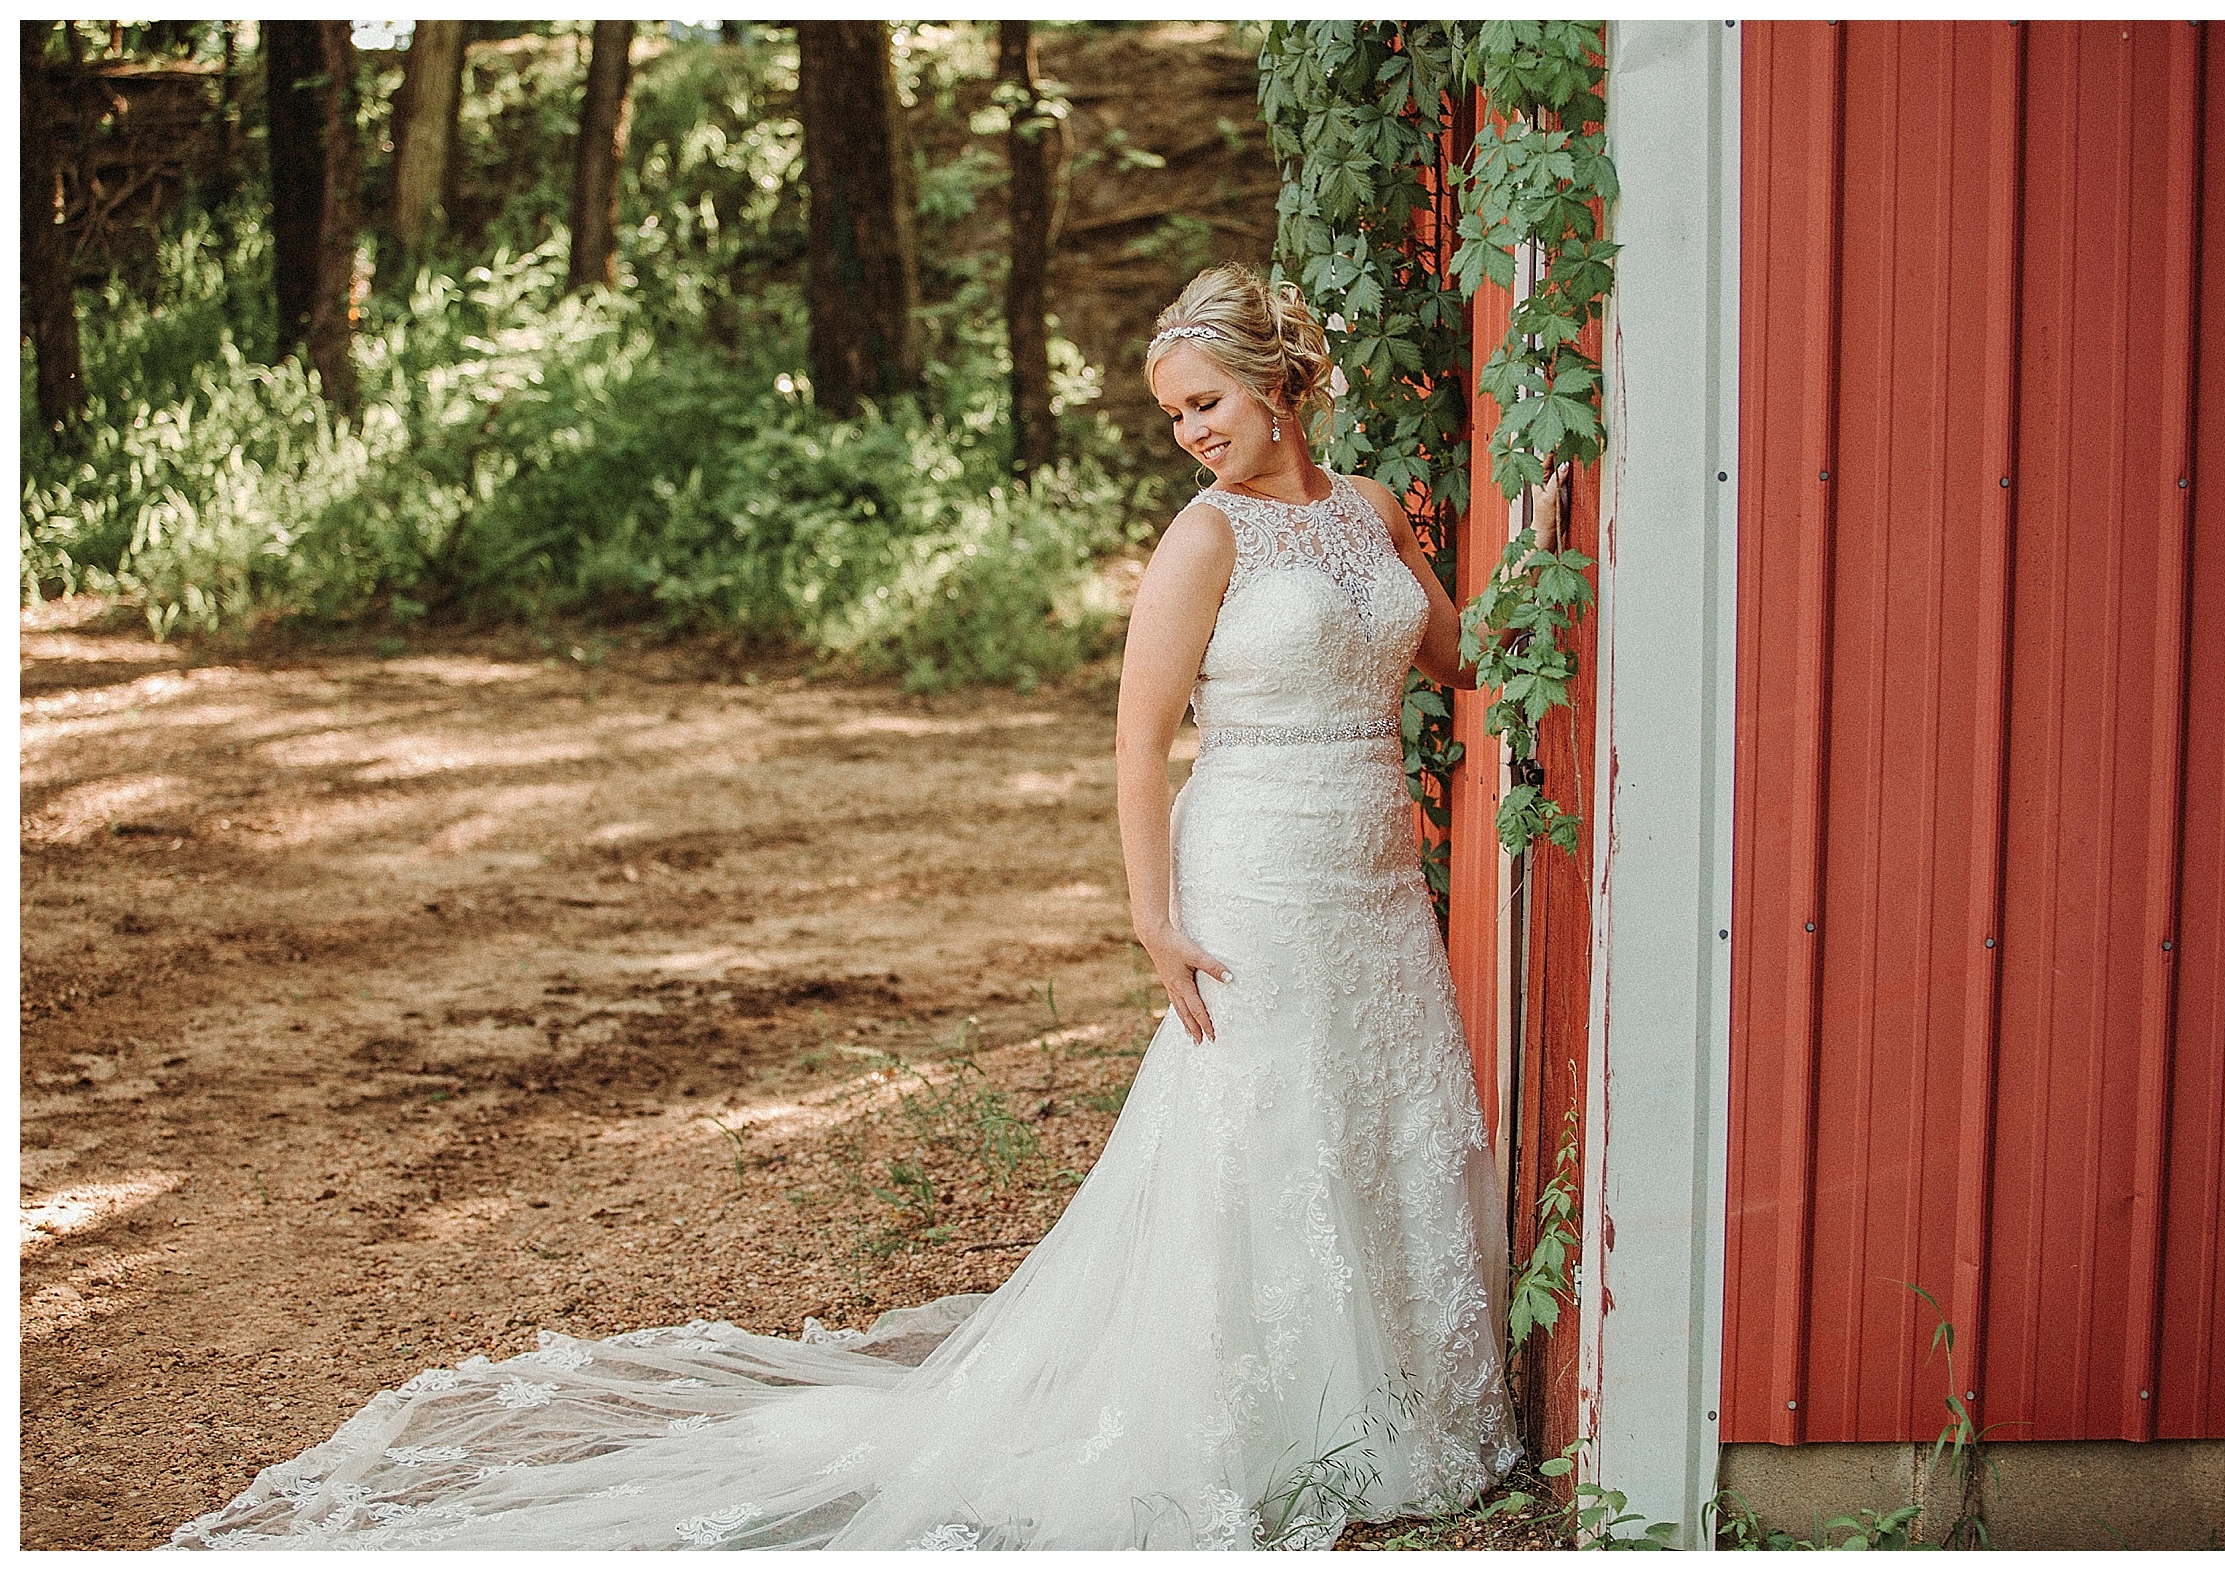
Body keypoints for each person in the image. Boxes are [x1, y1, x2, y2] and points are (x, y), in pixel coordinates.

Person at [170, 263, 1561, 1551]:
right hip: (1252, 862)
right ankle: (1258, 1428)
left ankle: (1394, 1421)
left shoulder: (1367, 511)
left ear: (1278, 382)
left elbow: (1450, 659)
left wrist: (1545, 548)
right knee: (1261, 1128)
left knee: (1379, 1107)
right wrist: (1152, 915)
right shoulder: (1202, 540)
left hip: (1370, 863)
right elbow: (1138, 740)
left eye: (1202, 404)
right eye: (1172, 416)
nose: (1187, 433)